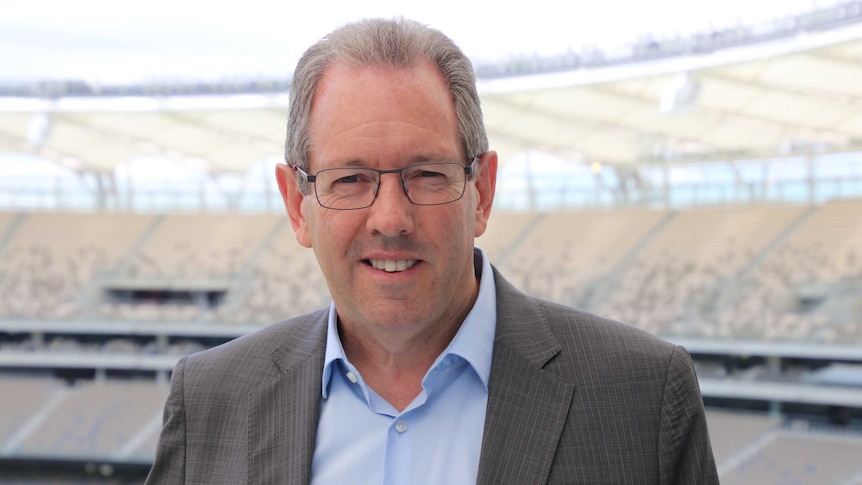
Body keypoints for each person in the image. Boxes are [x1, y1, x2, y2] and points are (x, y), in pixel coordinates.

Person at [145, 17, 718, 484]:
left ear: (483, 192)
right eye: (349, 180)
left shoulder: (642, 398)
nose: (391, 219)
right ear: (299, 207)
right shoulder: (210, 401)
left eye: (426, 174)